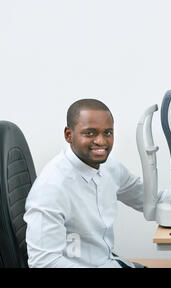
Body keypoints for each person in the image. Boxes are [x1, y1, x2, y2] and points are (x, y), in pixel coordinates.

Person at [24, 99, 146, 268]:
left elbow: (147, 199)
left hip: (108, 261)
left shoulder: (110, 166)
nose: (101, 141)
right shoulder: (51, 187)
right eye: (90, 133)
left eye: (108, 133)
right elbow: (43, 263)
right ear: (69, 135)